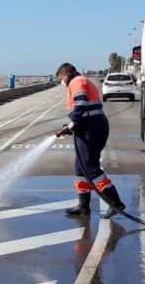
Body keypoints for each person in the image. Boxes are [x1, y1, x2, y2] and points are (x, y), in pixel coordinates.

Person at [53, 62, 126, 218]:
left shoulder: (77, 81)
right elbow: (81, 109)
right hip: (87, 126)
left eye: (61, 78)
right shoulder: (78, 81)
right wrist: (72, 125)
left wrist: (72, 123)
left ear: (66, 74)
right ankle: (83, 205)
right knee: (80, 167)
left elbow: (80, 103)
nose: (61, 82)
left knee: (89, 165)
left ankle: (115, 202)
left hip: (92, 128)